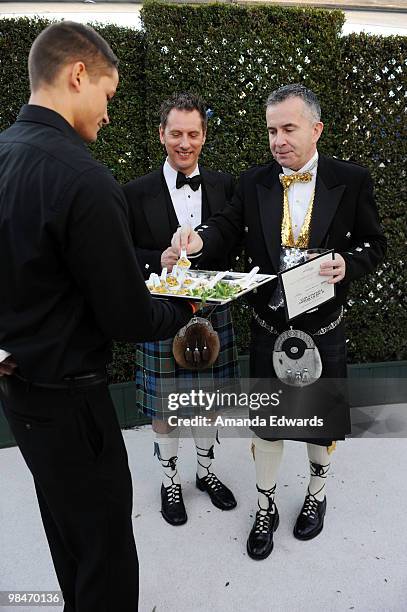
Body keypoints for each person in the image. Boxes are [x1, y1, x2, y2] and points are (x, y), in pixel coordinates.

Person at [0, 22, 198, 611]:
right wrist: (186, 302)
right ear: (77, 74)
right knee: (107, 554)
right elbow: (129, 318)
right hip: (72, 403)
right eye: (108, 97)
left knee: (68, 536)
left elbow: (45, 270)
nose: (109, 114)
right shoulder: (85, 179)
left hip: (21, 396)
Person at [172, 84, 387, 559]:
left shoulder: (351, 179)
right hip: (269, 327)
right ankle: (265, 504)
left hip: (324, 328)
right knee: (267, 425)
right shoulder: (254, 182)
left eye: (288, 128)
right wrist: (197, 241)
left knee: (321, 424)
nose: (278, 139)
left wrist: (349, 264)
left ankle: (316, 494)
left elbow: (376, 243)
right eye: (272, 130)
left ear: (316, 129)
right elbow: (225, 228)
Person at [123, 93, 238, 527]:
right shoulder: (134, 193)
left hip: (212, 312)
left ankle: (205, 473)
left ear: (204, 136)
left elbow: (232, 240)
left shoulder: (226, 186)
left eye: (193, 134)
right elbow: (122, 254)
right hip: (161, 314)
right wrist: (158, 259)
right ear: (161, 135)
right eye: (176, 134)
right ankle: (170, 481)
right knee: (166, 410)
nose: (184, 143)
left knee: (207, 404)